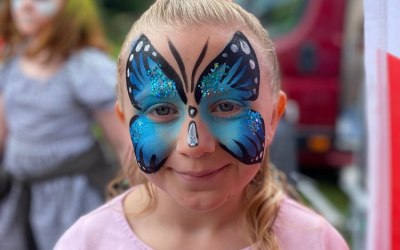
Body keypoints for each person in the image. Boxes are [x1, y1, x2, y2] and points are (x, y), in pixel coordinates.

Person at [55, 0, 349, 249]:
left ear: (272, 117)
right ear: (125, 125)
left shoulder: (314, 242)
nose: (193, 145)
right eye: (161, 109)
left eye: (226, 106)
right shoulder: (86, 242)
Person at [0, 0, 130, 249]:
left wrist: (136, 196)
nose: (25, 5)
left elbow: (124, 142)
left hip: (71, 197)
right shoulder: (12, 61)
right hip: (20, 193)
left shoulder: (83, 67)